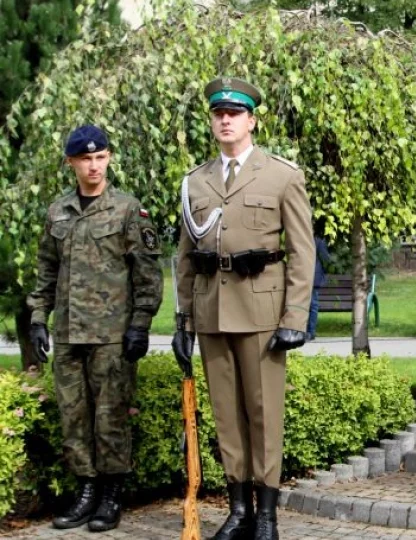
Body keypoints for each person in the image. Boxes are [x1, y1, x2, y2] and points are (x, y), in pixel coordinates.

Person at [172, 76, 315, 540]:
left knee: (263, 412)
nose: (226, 119)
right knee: (226, 415)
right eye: (219, 113)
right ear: (212, 121)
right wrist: (184, 320)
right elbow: (185, 256)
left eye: (235, 113)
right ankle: (239, 511)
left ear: (252, 120)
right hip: (212, 311)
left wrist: (295, 317)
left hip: (262, 313)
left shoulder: (282, 175)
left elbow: (302, 250)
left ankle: (268, 515)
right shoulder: (196, 180)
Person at [27, 124, 163, 532]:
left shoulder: (126, 209)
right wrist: (38, 318)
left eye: (100, 157)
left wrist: (140, 324)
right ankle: (85, 491)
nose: (93, 166)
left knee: (110, 419)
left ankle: (110, 496)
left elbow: (148, 273)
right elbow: (46, 270)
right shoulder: (58, 212)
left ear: (109, 157)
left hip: (111, 336)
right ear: (71, 162)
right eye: (85, 159)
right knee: (74, 419)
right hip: (69, 335)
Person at [306, 220, 333, 341]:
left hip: (303, 276)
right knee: (313, 305)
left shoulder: (301, 240)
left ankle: (307, 331)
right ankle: (310, 332)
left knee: (307, 305)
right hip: (314, 277)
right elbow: (326, 259)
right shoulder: (318, 241)